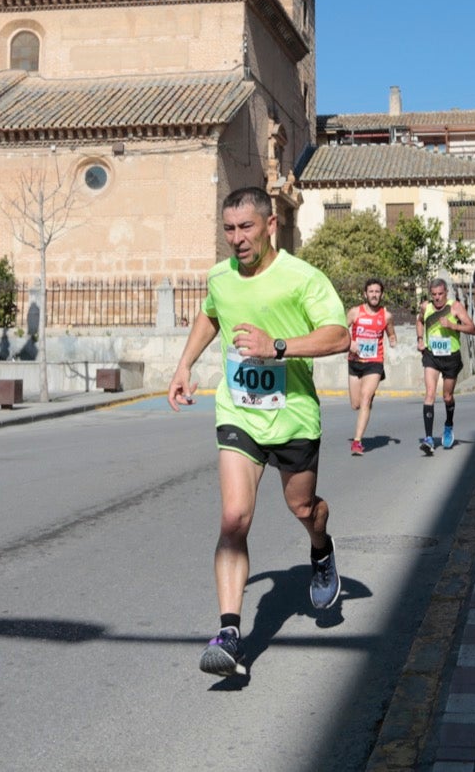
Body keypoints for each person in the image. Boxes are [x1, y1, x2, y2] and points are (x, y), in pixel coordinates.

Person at [168, 186, 350, 678]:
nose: (237, 239)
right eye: (229, 229)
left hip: (292, 415)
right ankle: (229, 635)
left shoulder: (302, 277)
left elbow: (339, 334)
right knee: (233, 519)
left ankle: (321, 549)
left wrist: (279, 346)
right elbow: (211, 312)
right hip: (240, 412)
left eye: (246, 227)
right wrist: (185, 363)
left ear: (271, 226)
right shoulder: (221, 277)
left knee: (303, 509)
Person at [416, 277, 475, 454]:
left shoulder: (455, 307)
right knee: (429, 394)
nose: (437, 298)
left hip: (451, 357)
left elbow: (473, 329)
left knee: (447, 397)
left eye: (440, 294)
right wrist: (420, 339)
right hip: (432, 356)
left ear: (446, 293)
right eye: (434, 294)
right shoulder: (425, 307)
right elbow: (420, 321)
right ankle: (428, 439)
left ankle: (449, 425)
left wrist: (452, 325)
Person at [345, 278, 390, 456]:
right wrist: (350, 343)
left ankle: (357, 442)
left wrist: (393, 339)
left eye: (377, 292)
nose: (374, 295)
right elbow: (340, 331)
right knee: (356, 404)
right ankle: (366, 400)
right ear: (365, 294)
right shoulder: (355, 312)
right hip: (355, 361)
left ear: (381, 294)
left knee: (365, 398)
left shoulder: (386, 316)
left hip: (375, 362)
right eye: (371, 291)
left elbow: (391, 332)